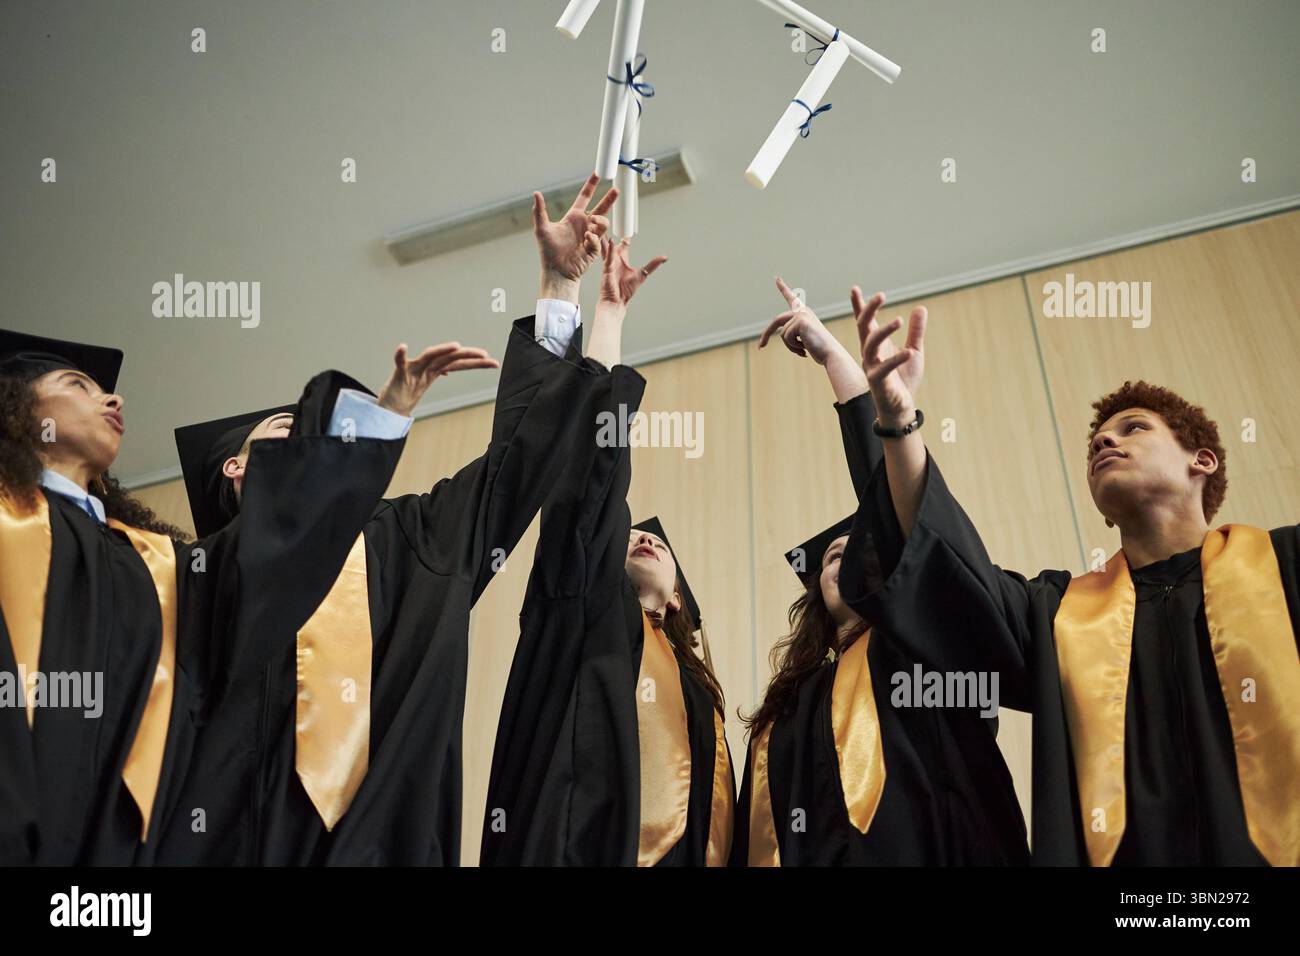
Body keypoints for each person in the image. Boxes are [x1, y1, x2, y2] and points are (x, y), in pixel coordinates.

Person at [154, 173, 623, 865]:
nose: (313, 445)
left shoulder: (409, 541)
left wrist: (559, 292)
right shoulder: (188, 580)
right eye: (289, 432)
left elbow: (514, 468)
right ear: (236, 468)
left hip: (390, 839)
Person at [838, 286, 1300, 865]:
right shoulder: (1060, 615)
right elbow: (944, 568)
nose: (1105, 439)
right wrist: (897, 418)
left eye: (1133, 428)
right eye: (1096, 442)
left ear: (1201, 460)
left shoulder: (1285, 570)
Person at [0, 331, 401, 864]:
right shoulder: (10, 523)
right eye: (77, 385)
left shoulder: (155, 561)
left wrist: (374, 424)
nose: (113, 400)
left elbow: (267, 560)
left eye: (107, 391)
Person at [729, 281, 1028, 866]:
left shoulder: (920, 647)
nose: (840, 554)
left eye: (857, 549)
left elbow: (896, 513)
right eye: (830, 557)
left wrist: (836, 361)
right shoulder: (787, 707)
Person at [482, 237, 735, 867]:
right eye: (628, 535)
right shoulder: (581, 605)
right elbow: (588, 481)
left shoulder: (702, 702)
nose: (644, 536)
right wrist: (611, 319)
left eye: (658, 544)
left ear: (678, 599)